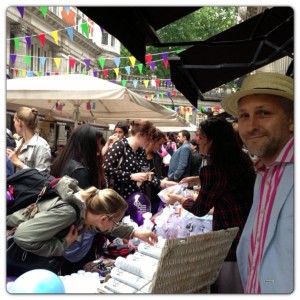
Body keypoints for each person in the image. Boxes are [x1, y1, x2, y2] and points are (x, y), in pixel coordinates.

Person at [221, 72, 294, 293]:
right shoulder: (264, 173)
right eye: (243, 116)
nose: (251, 126)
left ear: (292, 120)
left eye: (263, 113)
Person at [166, 118, 256, 293]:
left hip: (231, 236)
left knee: (230, 286)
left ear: (213, 140)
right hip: (249, 230)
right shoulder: (240, 158)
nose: (198, 140)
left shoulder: (213, 169)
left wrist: (178, 198)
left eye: (201, 137)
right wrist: (198, 179)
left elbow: (200, 209)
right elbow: (227, 179)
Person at [7, 175, 158, 277]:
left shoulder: (87, 208)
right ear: (104, 218)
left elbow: (107, 226)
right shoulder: (69, 213)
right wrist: (64, 244)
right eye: (115, 221)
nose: (115, 225)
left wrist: (135, 233)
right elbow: (22, 236)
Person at [50, 124, 107, 273]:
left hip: (63, 228)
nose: (99, 152)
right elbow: (90, 208)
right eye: (96, 148)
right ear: (87, 145)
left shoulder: (62, 162)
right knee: (79, 273)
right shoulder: (80, 170)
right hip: (78, 234)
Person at [103, 119, 157, 200]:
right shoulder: (120, 146)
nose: (150, 141)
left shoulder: (141, 150)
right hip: (119, 198)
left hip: (136, 197)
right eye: (149, 138)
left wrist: (161, 183)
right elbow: (106, 169)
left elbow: (145, 172)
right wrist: (131, 176)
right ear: (139, 135)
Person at [51, 124, 106, 189]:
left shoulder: (62, 161)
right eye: (99, 143)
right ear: (89, 145)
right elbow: (86, 197)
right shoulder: (79, 171)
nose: (100, 148)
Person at [6, 107, 51, 174]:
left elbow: (43, 177)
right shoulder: (20, 142)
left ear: (19, 123)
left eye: (14, 121)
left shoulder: (41, 145)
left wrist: (18, 163)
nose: (14, 124)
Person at [145, 129, 177, 214]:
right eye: (159, 144)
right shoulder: (140, 156)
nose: (160, 147)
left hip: (156, 195)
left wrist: (164, 180)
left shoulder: (158, 157)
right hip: (143, 195)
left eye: (162, 144)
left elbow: (160, 175)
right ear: (151, 141)